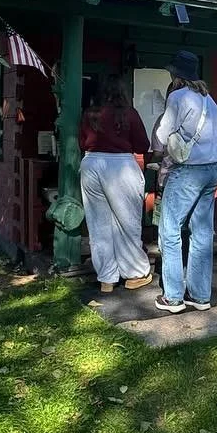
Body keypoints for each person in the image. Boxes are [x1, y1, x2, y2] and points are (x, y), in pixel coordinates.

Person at [150, 51, 217, 314]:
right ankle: (200, 295)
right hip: (212, 169)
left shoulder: (177, 97)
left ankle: (173, 297)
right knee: (201, 232)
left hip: (187, 170)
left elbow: (161, 133)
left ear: (175, 75)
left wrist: (157, 148)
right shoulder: (210, 100)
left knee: (169, 230)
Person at [78, 75, 153, 294]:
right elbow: (142, 144)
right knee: (127, 222)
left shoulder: (89, 114)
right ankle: (135, 273)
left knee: (98, 224)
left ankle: (107, 278)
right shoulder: (128, 114)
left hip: (91, 163)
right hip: (120, 165)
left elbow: (82, 142)